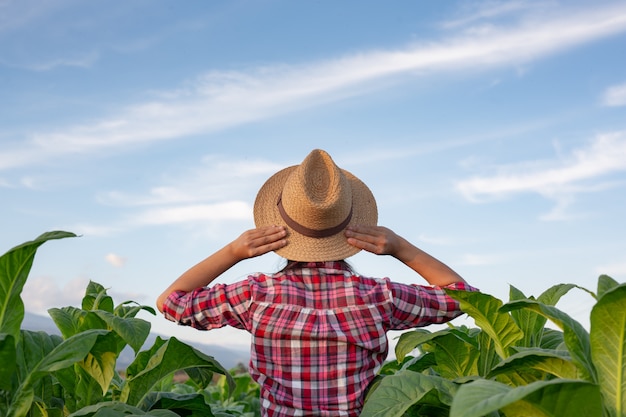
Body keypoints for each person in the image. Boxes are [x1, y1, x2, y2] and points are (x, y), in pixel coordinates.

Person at [157, 149, 478, 417]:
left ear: (278, 230)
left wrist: (234, 252)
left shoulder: (255, 294)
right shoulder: (379, 296)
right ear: (351, 227)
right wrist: (401, 248)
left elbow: (171, 302)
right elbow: (463, 297)